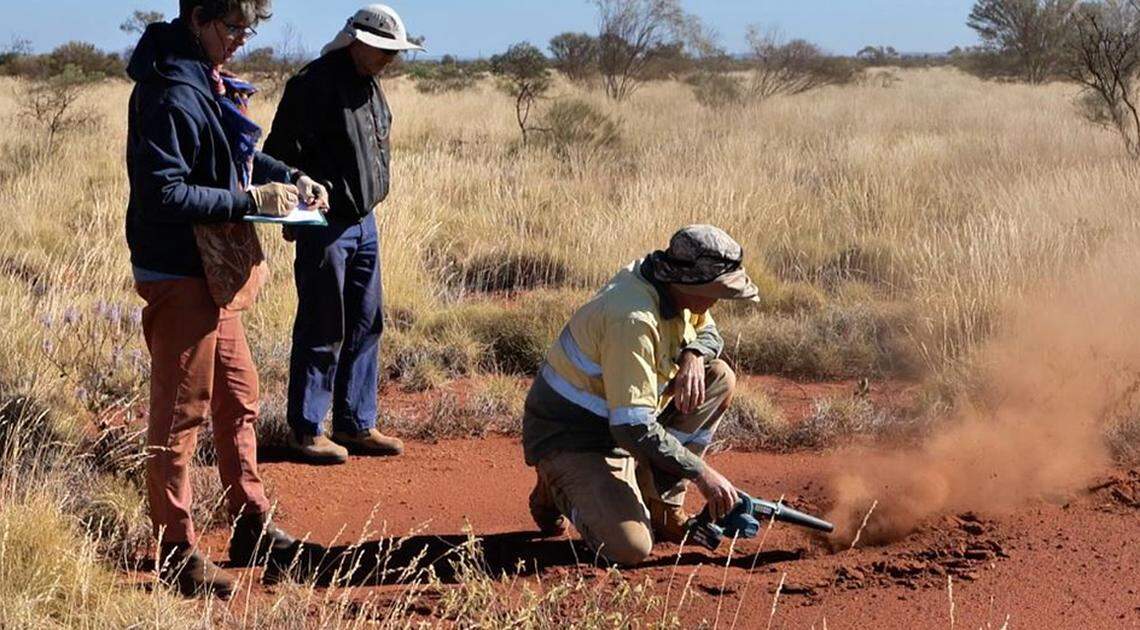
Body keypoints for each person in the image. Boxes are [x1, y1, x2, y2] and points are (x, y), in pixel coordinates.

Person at [125, 0, 329, 598]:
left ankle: (250, 525)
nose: (242, 39)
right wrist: (248, 202)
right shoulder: (168, 90)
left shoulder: (202, 76)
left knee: (238, 398)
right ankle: (176, 549)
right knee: (181, 415)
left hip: (215, 273)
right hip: (180, 269)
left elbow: (232, 154)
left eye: (248, 27)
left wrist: (288, 177)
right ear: (197, 19)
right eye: (233, 26)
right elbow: (165, 192)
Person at [522, 225, 760, 565]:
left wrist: (692, 354)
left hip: (622, 420)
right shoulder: (632, 320)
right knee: (629, 548)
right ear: (688, 283)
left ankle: (661, 502)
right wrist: (702, 474)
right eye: (716, 291)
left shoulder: (674, 287)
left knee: (718, 377)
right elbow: (632, 428)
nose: (718, 300)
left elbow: (709, 331)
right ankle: (556, 484)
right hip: (573, 436)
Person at [263, 4, 423, 465]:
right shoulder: (312, 85)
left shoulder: (370, 85)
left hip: (364, 222)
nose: (390, 59)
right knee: (322, 322)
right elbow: (277, 157)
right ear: (357, 40)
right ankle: (308, 429)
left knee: (366, 321)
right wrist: (297, 213)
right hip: (324, 226)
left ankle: (355, 423)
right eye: (384, 50)